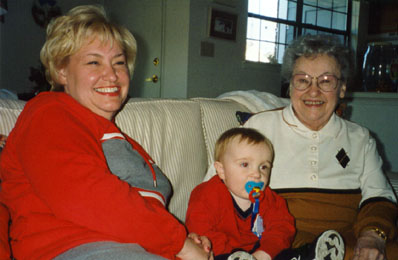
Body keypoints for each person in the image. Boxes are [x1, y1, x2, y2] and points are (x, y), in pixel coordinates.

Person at [0, 5, 212, 260]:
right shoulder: (48, 112)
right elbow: (87, 198)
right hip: (74, 249)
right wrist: (179, 243)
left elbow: (141, 212)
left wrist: (183, 237)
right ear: (62, 71)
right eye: (93, 62)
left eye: (119, 62)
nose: (111, 75)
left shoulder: (121, 141)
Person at [243, 34, 398, 260]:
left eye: (326, 81)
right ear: (290, 87)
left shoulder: (360, 138)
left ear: (342, 89)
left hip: (348, 239)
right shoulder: (259, 128)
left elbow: (379, 194)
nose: (313, 91)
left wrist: (372, 235)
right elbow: (218, 186)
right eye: (303, 80)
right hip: (282, 238)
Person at [186, 127, 345, 260]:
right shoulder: (206, 195)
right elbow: (202, 232)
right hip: (223, 253)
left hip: (260, 251)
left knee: (285, 254)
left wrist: (263, 254)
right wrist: (236, 255)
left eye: (263, 167)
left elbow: (282, 228)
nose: (256, 174)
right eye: (245, 164)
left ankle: (311, 254)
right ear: (221, 170)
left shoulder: (270, 199)